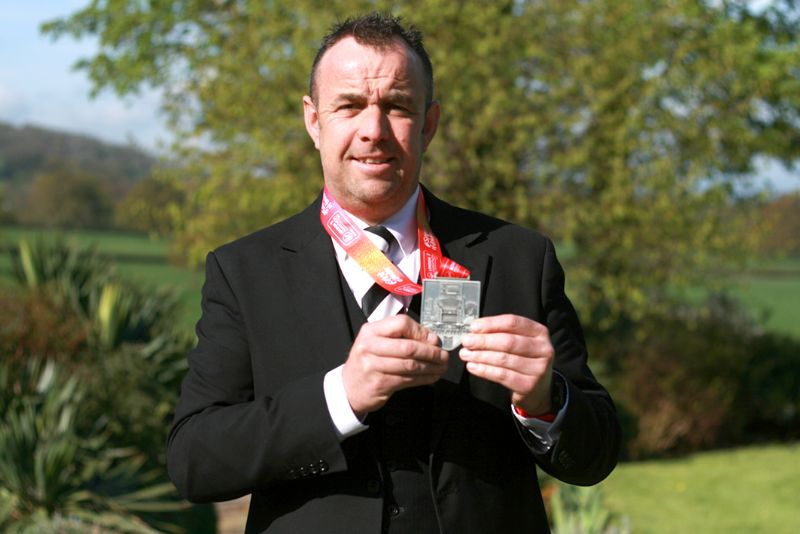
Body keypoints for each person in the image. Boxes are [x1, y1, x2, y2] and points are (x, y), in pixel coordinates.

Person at [167, 12, 620, 534]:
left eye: (397, 106)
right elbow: (193, 461)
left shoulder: (520, 257)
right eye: (350, 106)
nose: (373, 131)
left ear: (429, 123)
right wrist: (342, 395)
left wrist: (548, 401)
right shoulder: (244, 272)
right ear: (314, 121)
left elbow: (596, 456)